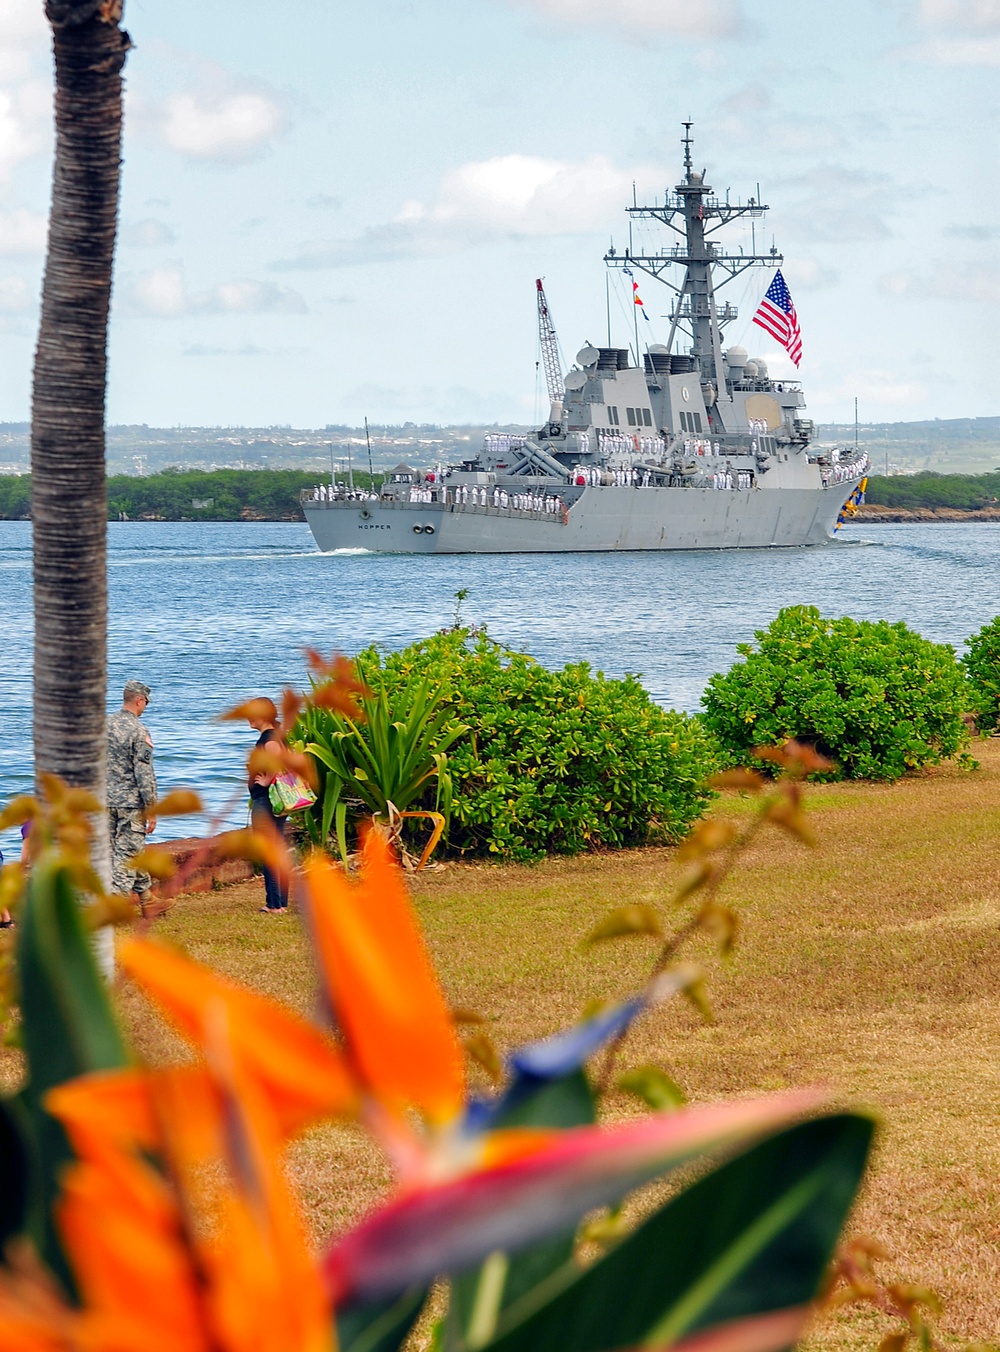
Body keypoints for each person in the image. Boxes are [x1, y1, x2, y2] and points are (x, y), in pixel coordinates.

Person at [106, 679, 157, 913]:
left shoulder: (103, 725)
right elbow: (143, 772)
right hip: (130, 804)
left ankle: (149, 901)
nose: (145, 706)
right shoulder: (139, 730)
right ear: (139, 700)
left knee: (113, 852)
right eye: (145, 702)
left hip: (103, 801)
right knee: (128, 854)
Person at [247, 698, 289, 913]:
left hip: (267, 799)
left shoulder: (268, 738)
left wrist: (266, 779)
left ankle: (274, 904)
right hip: (275, 800)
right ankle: (280, 902)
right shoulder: (277, 735)